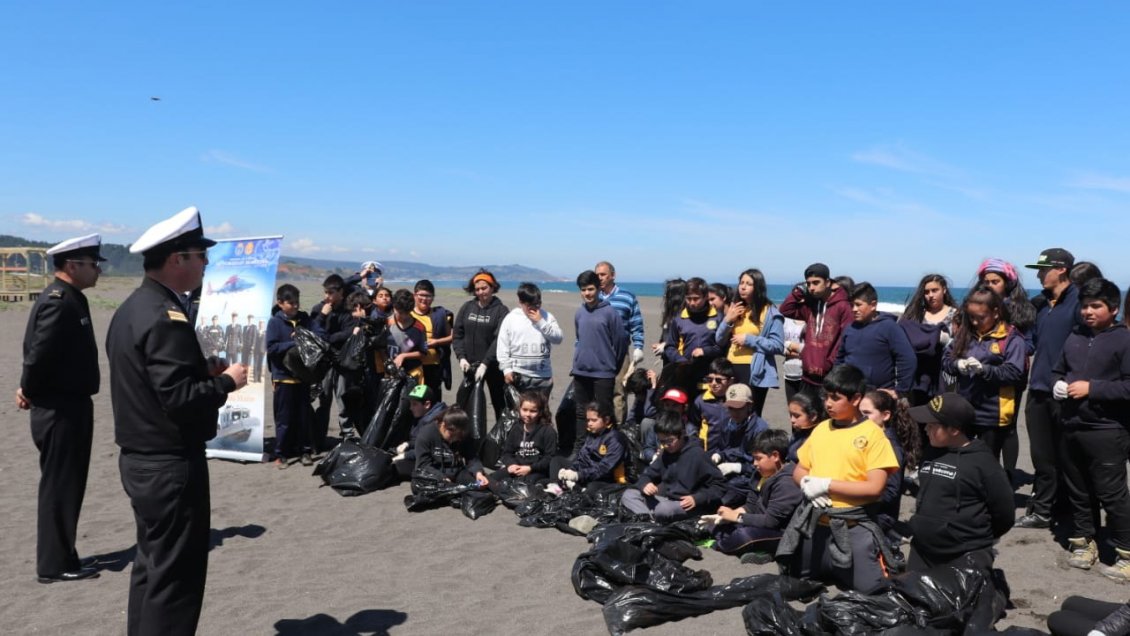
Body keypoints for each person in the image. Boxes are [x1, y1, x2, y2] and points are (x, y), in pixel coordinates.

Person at [106, 206, 248, 636]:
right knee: (176, 580)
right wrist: (226, 382)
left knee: (151, 569)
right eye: (200, 256)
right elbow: (180, 401)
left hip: (141, 459)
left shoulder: (134, 307)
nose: (206, 264)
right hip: (169, 463)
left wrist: (200, 371)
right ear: (177, 260)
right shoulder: (166, 317)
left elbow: (152, 381)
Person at [18, 233, 105, 584]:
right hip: (59, 408)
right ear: (72, 266)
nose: (97, 270)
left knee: (69, 484)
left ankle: (65, 553)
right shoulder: (58, 300)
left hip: (69, 405)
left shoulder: (72, 297)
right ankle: (54, 564)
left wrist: (29, 387)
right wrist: (28, 388)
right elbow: (39, 354)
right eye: (92, 264)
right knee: (60, 485)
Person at [778, 364, 900, 593]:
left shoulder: (873, 435)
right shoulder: (822, 428)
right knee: (792, 581)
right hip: (816, 523)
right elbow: (799, 470)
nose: (828, 403)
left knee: (873, 591)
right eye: (826, 397)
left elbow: (875, 488)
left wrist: (826, 485)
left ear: (855, 399)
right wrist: (806, 483)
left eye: (835, 398)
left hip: (853, 526)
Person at [1052, 278, 1130, 579]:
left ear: (1113, 308)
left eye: (1096, 306)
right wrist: (1056, 384)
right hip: (1071, 424)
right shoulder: (1074, 336)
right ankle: (1084, 543)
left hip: (1107, 429)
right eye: (1084, 306)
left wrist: (1092, 388)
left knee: (1112, 494)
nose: (1088, 312)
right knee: (1078, 490)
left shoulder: (1123, 340)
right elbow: (1057, 371)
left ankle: (1125, 550)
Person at [906, 392, 1014, 571]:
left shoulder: (984, 464)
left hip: (963, 554)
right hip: (923, 549)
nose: (925, 429)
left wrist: (976, 539)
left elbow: (1005, 514)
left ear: (954, 430)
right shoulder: (932, 450)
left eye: (932, 425)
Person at [1019, 247, 1083, 529]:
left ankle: (1064, 509)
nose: (1039, 274)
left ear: (1062, 270)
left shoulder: (1080, 302)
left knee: (1068, 456)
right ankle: (1043, 510)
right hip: (1038, 389)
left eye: (1044, 269)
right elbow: (1032, 341)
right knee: (1042, 455)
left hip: (1066, 391)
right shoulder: (1040, 304)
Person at [942, 287, 1027, 479]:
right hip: (965, 409)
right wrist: (957, 364)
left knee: (987, 463)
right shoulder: (966, 333)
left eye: (980, 317)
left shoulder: (1011, 338)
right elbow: (946, 360)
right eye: (971, 317)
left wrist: (984, 370)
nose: (974, 322)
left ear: (996, 312)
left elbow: (1014, 372)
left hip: (993, 413)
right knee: (961, 460)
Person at [705, 429, 803, 562]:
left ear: (775, 456)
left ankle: (724, 545)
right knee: (713, 524)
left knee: (744, 536)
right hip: (759, 523)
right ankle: (758, 551)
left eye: (758, 458)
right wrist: (727, 516)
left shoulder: (787, 482)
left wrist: (736, 517)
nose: (754, 464)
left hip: (782, 532)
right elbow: (751, 505)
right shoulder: (760, 474)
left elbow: (771, 521)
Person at [622, 411, 724, 522]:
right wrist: (645, 484)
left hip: (688, 505)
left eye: (669, 441)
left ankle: (650, 519)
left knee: (663, 510)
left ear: (682, 434)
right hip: (667, 500)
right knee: (629, 495)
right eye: (662, 441)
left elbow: (720, 486)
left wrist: (697, 498)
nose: (666, 445)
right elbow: (647, 474)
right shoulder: (665, 453)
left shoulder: (697, 454)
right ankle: (650, 522)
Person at [569, 270, 627, 454]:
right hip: (581, 371)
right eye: (583, 289)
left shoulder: (610, 313)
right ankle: (581, 449)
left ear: (599, 288)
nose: (587, 293)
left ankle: (607, 449)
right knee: (581, 413)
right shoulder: (579, 313)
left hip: (603, 373)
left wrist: (609, 365)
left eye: (591, 289)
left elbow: (620, 343)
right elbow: (580, 338)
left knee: (604, 414)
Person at [716, 268, 785, 415]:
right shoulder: (736, 308)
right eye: (741, 282)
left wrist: (748, 340)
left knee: (750, 413)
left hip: (755, 369)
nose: (743, 286)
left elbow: (778, 345)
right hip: (731, 367)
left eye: (748, 283)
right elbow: (719, 340)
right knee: (731, 411)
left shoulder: (770, 312)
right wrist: (728, 320)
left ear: (758, 287)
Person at [780, 263, 854, 399]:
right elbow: (786, 310)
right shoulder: (811, 305)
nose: (811, 288)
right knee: (807, 418)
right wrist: (799, 291)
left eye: (816, 283)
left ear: (827, 282)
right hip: (807, 376)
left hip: (829, 378)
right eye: (808, 284)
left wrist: (831, 364)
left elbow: (846, 339)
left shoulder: (843, 306)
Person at [265, 284, 319, 468]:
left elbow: (320, 335)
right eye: (291, 303)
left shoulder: (305, 318)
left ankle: (304, 451)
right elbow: (271, 349)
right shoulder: (274, 322)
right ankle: (281, 453)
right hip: (283, 377)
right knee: (284, 419)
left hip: (303, 376)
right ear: (280, 303)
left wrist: (308, 336)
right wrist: (292, 342)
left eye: (297, 302)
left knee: (304, 417)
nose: (295, 306)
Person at [860, 389, 921, 541]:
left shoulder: (890, 446)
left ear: (886, 415)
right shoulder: (867, 437)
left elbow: (890, 492)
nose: (861, 418)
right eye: (859, 412)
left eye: (867, 413)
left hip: (879, 515)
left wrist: (853, 494)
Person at [835, 282, 916, 395]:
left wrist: (900, 391)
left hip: (877, 395)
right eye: (852, 305)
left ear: (873, 305)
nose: (854, 309)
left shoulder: (889, 327)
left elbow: (907, 359)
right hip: (850, 392)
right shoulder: (850, 328)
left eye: (858, 305)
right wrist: (837, 382)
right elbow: (840, 358)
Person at [453, 269, 509, 420]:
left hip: (493, 367)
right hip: (470, 365)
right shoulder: (467, 307)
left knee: (500, 404)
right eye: (477, 289)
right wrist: (461, 357)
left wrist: (485, 364)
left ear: (492, 288)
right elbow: (457, 335)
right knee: (466, 404)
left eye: (484, 288)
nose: (480, 292)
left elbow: (499, 340)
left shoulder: (501, 310)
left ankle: (501, 440)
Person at [595, 261, 646, 425]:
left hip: (619, 352)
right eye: (597, 275)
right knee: (598, 392)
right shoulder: (593, 297)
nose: (599, 278)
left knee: (619, 391)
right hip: (597, 352)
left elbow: (636, 324)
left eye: (603, 274)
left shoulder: (627, 297)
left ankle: (618, 429)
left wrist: (638, 347)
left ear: (612, 275)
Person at [898, 273, 958, 404]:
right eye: (926, 292)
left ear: (944, 290)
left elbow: (960, 342)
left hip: (943, 374)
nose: (930, 295)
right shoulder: (916, 314)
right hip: (919, 374)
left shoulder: (955, 315)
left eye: (935, 290)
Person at [496, 282, 562, 398]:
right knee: (521, 413)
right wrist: (506, 369)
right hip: (519, 375)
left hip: (543, 376)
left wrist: (541, 322)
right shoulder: (511, 318)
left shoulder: (547, 317)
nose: (535, 308)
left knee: (541, 413)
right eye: (530, 305)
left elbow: (558, 338)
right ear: (521, 303)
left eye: (538, 304)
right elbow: (503, 345)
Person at [662, 277, 723, 397]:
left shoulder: (718, 318)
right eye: (688, 298)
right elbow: (670, 347)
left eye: (696, 299)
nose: (692, 303)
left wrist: (705, 351)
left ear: (705, 297)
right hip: (685, 374)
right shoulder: (679, 320)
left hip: (711, 375)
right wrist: (681, 360)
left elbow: (723, 347)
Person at [549, 402, 628, 492]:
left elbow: (605, 468)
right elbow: (582, 458)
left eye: (594, 420)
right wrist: (570, 471)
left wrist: (578, 475)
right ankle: (556, 486)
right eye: (588, 420)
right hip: (586, 472)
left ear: (606, 420)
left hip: (604, 478)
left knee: (592, 487)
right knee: (557, 461)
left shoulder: (615, 439)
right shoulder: (592, 434)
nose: (589, 424)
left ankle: (573, 487)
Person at [311, 274, 352, 442]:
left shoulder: (347, 311)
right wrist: (322, 316)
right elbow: (312, 332)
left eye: (330, 293)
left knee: (343, 399)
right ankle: (320, 437)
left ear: (341, 293)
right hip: (323, 362)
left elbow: (348, 333)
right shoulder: (317, 309)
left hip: (342, 361)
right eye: (325, 292)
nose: (326, 296)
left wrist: (328, 338)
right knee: (324, 399)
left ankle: (347, 436)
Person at [489, 390, 558, 487]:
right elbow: (507, 453)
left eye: (533, 411)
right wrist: (511, 464)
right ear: (519, 409)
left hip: (536, 470)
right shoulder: (516, 428)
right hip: (516, 468)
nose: (528, 414)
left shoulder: (548, 431)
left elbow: (549, 458)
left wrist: (530, 468)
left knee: (526, 485)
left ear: (540, 412)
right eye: (524, 410)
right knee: (490, 479)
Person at [413, 406, 490, 486]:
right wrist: (441, 477)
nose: (455, 439)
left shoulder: (462, 435)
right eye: (452, 435)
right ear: (443, 425)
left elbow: (472, 457)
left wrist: (478, 473)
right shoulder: (426, 434)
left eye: (458, 435)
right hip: (434, 473)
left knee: (480, 488)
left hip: (456, 471)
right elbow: (423, 465)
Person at [977, 258, 1037, 352]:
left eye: (995, 282)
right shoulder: (977, 307)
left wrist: (1000, 349)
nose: (989, 286)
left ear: (1007, 283)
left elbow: (1029, 346)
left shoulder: (1020, 308)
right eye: (986, 282)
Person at [392, 384, 448, 479]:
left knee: (397, 466)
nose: (410, 408)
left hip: (439, 462)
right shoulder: (424, 416)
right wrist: (408, 444)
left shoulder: (435, 423)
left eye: (414, 404)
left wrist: (406, 455)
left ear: (427, 404)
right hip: (428, 454)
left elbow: (429, 449)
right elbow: (420, 440)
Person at [411, 280, 454, 402]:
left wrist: (437, 342)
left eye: (428, 296)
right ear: (415, 295)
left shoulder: (439, 315)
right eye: (421, 295)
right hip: (414, 367)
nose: (424, 299)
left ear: (433, 298)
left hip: (434, 366)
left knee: (433, 401)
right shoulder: (408, 315)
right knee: (416, 401)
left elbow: (451, 337)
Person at [786, 391, 826, 463]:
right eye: (791, 415)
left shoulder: (819, 439)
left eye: (797, 416)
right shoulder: (798, 434)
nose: (792, 420)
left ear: (813, 416)